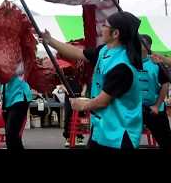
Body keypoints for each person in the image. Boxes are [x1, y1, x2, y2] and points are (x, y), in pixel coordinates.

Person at [41, 11, 143, 150]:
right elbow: (78, 53)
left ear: (115, 34)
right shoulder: (104, 51)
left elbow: (102, 101)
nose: (101, 28)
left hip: (120, 133)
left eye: (105, 25)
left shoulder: (122, 66)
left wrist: (81, 105)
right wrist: (50, 40)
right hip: (102, 128)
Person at [138, 35, 171, 150]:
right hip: (136, 110)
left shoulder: (157, 63)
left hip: (155, 110)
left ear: (148, 46)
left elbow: (165, 84)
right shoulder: (130, 63)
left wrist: (157, 106)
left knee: (166, 141)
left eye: (140, 43)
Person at [61, 72, 88, 147]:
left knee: (81, 116)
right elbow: (61, 85)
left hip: (80, 97)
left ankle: (80, 138)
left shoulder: (80, 72)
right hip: (69, 98)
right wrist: (67, 90)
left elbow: (85, 83)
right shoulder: (64, 73)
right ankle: (68, 138)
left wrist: (83, 91)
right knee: (68, 116)